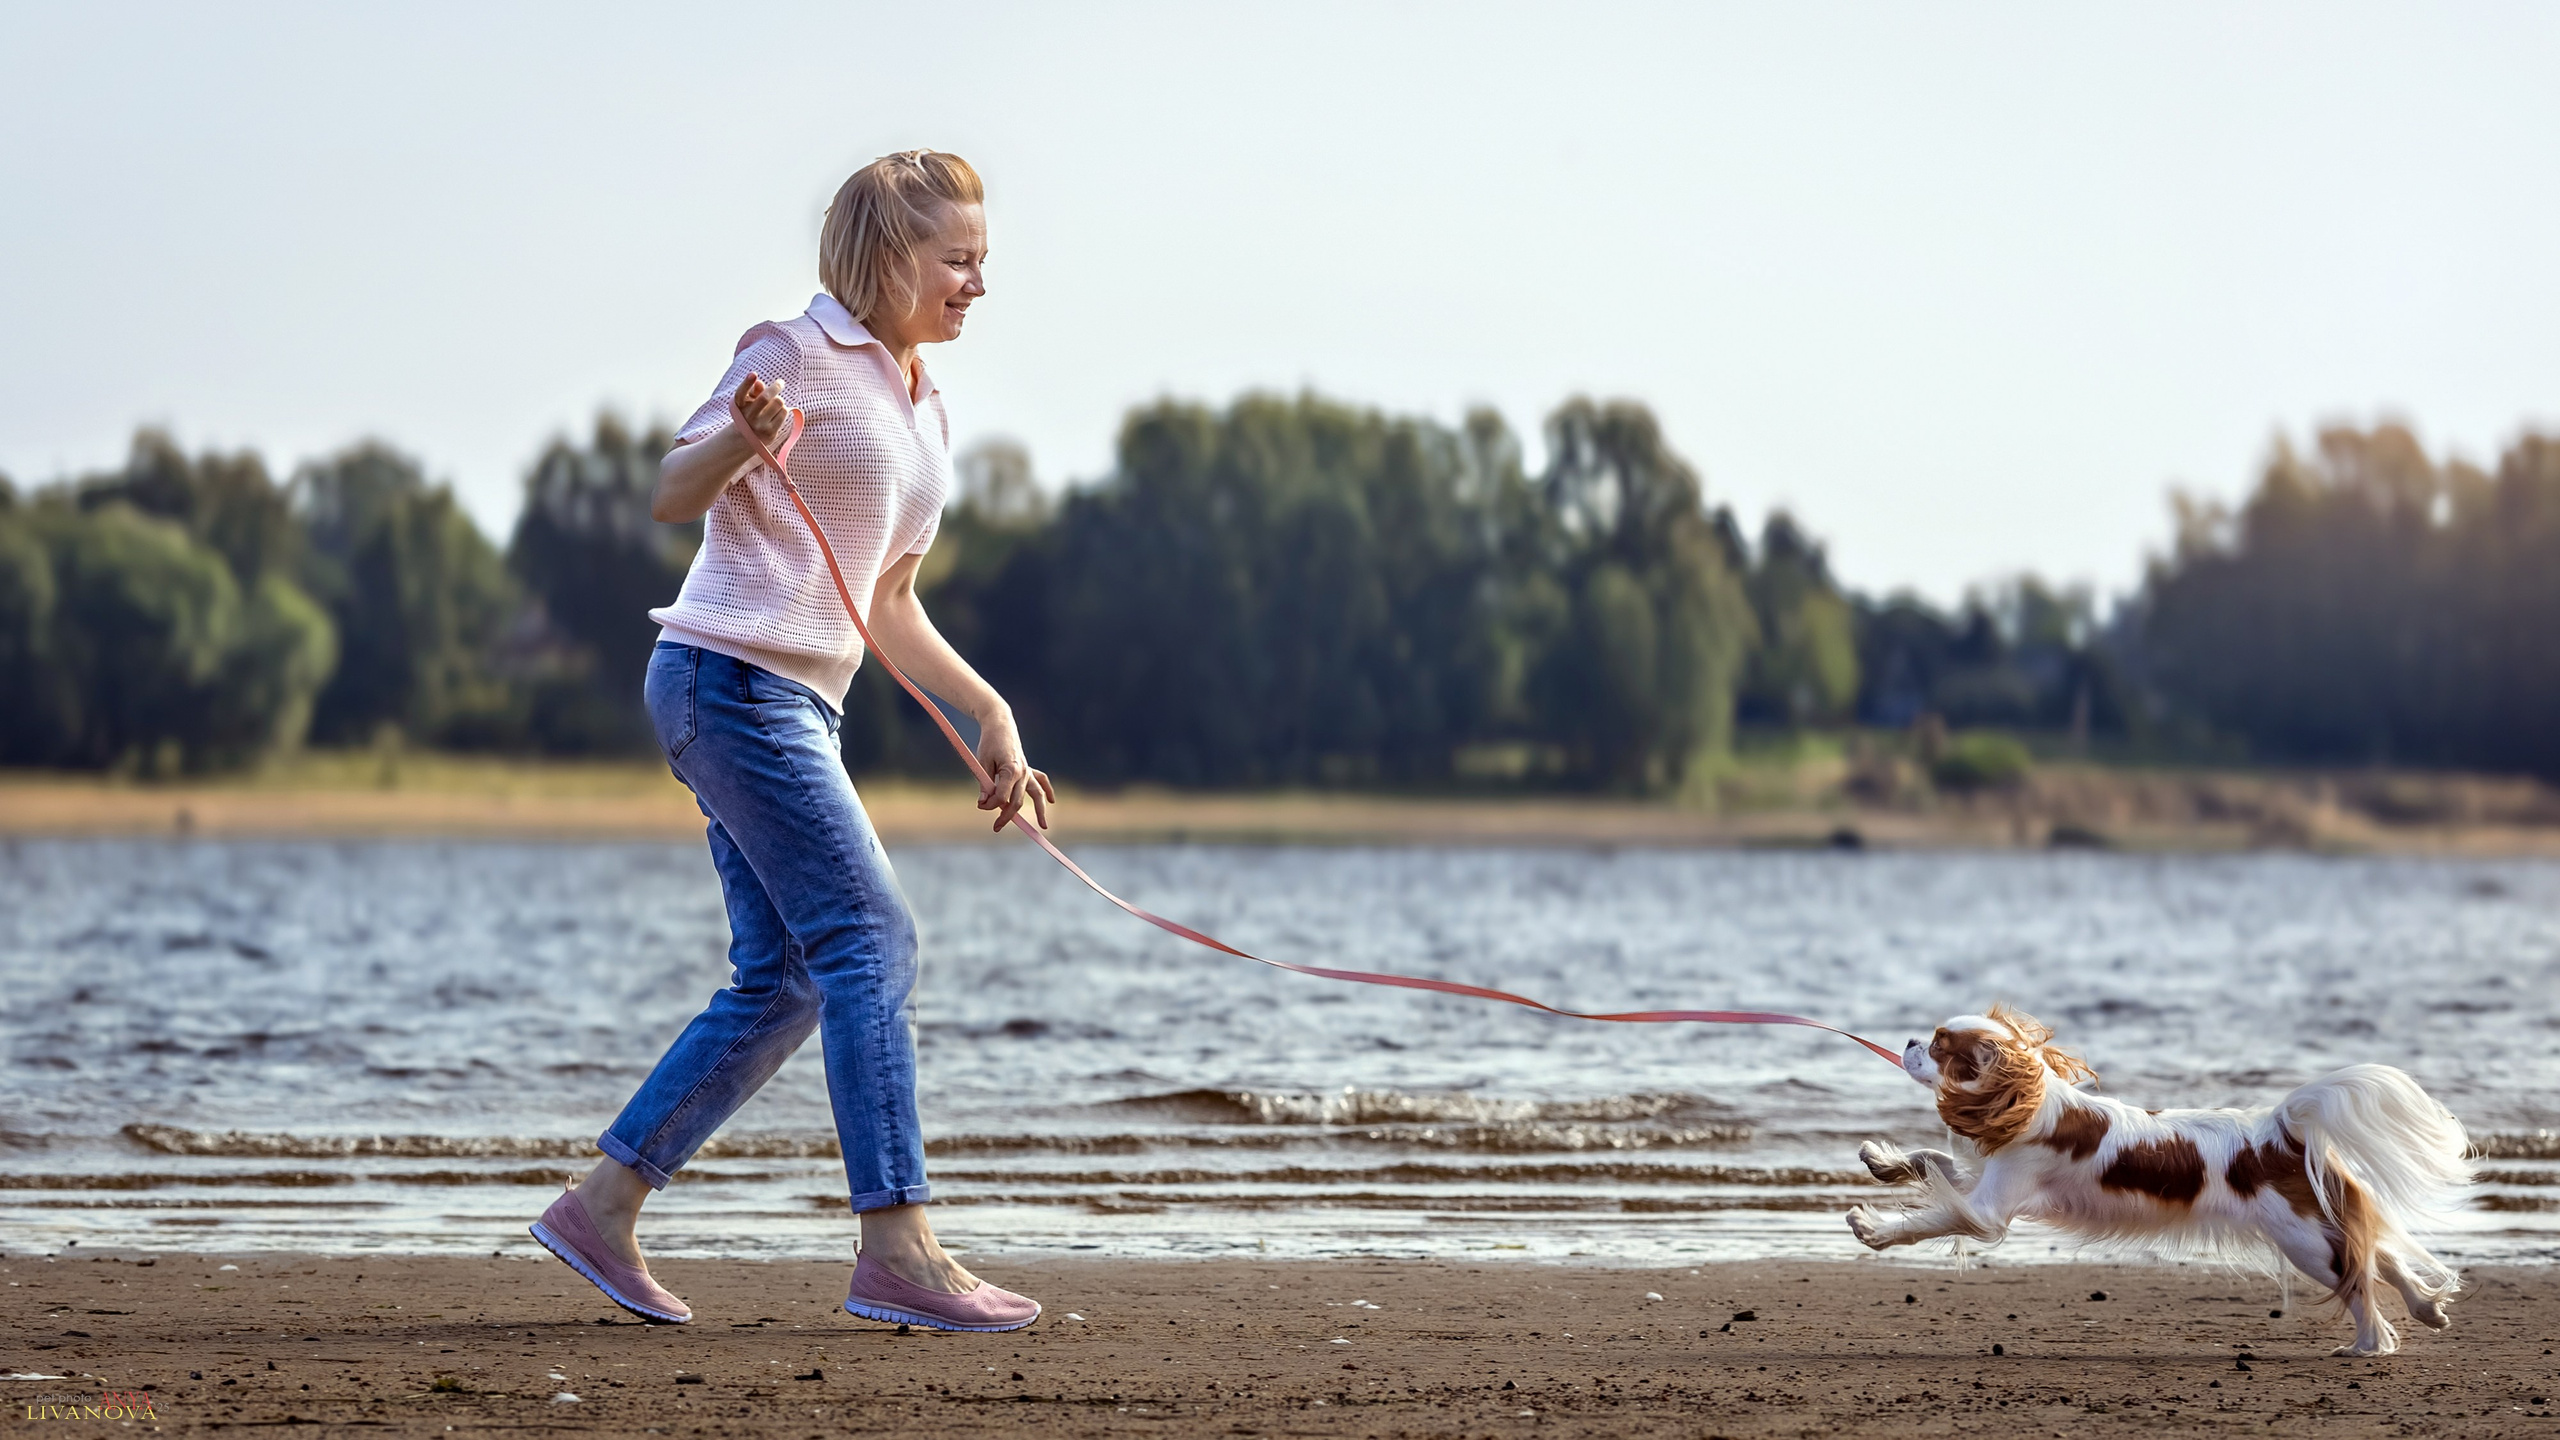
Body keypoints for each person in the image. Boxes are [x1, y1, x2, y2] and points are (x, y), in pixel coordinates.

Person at [528, 149, 1054, 1333]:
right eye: (956, 259)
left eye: (983, 261)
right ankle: (900, 1247)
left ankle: (602, 1205)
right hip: (730, 679)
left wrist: (990, 713)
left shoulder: (923, 403)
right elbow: (673, 489)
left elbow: (889, 603)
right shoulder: (792, 350)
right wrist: (744, 442)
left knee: (792, 974)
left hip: (793, 700)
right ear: (886, 254)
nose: (977, 284)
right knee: (873, 938)